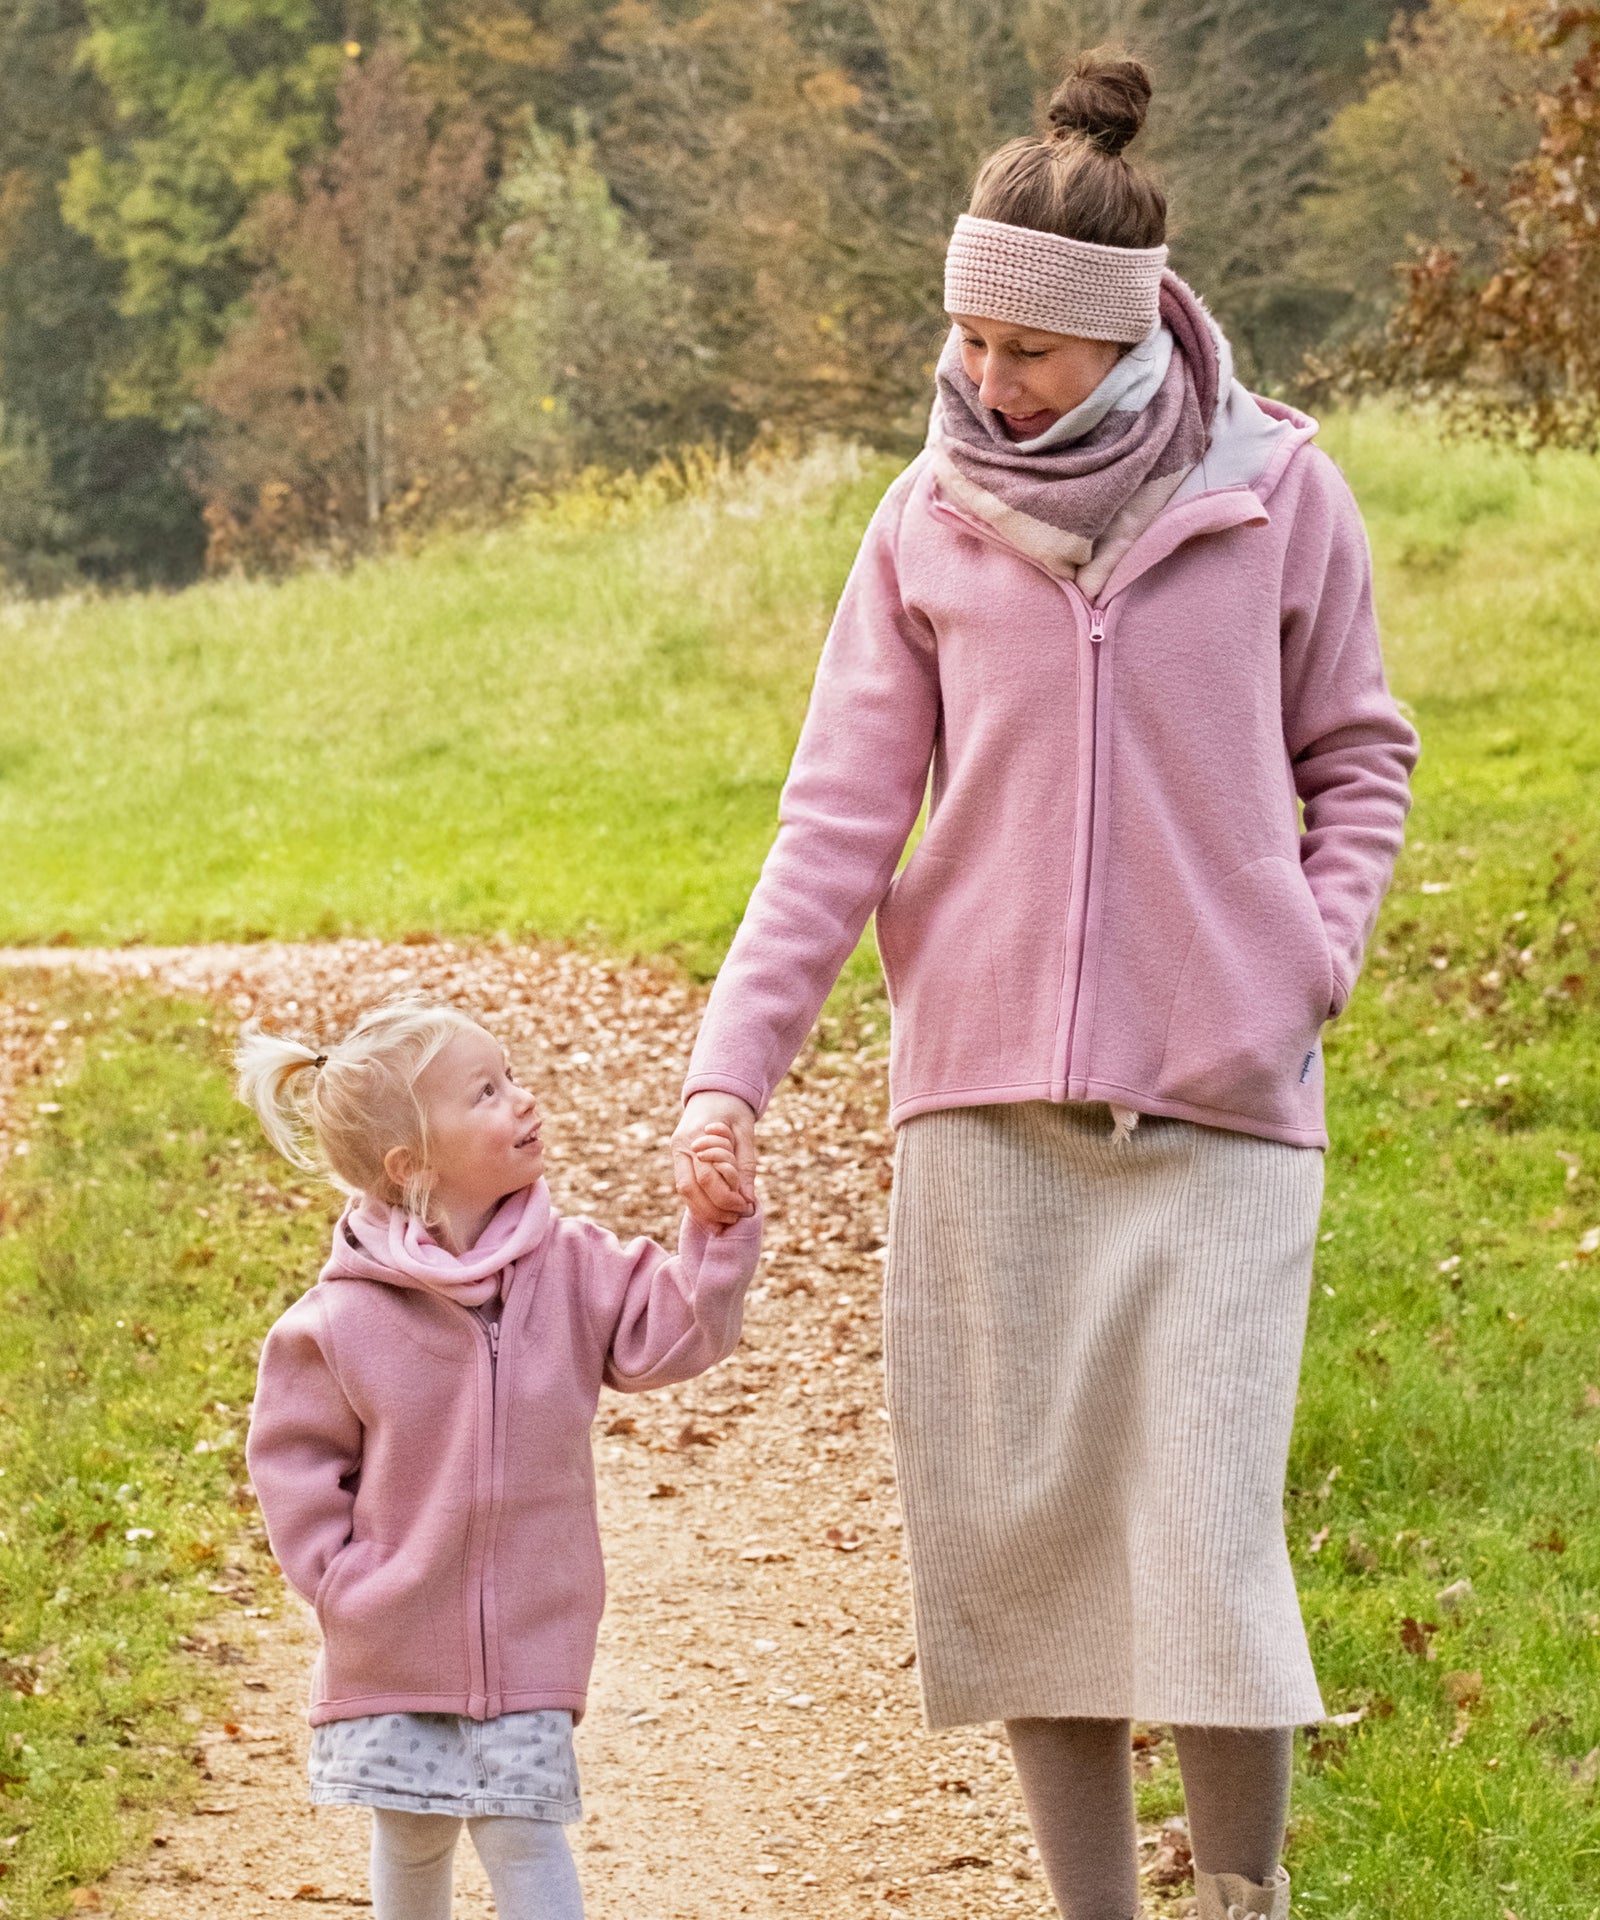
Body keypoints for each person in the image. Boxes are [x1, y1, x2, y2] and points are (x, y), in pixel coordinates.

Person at [670, 48, 1418, 1920]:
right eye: (967, 338)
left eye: (1024, 349)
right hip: (986, 1108)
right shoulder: (925, 522)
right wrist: (726, 1078)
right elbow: (835, 825)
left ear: (1126, 340)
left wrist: (1308, 956)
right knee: (1034, 1552)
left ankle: (1239, 1899)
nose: (979, 381)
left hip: (1225, 1109)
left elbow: (1363, 752)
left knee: (1208, 1544)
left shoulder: (1276, 498)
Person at [240, 999, 759, 1920]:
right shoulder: (340, 1321)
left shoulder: (572, 1265)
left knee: (522, 1829)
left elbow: (676, 1331)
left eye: (512, 1076)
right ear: (413, 1164)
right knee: (411, 1830)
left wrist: (714, 1233)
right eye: (487, 1091)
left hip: (530, 1636)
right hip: (392, 1636)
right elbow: (293, 1463)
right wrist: (344, 1584)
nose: (523, 1101)